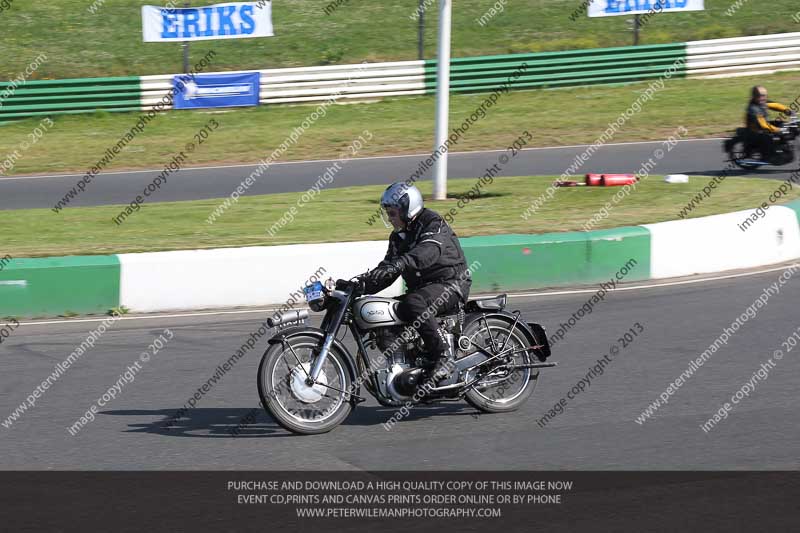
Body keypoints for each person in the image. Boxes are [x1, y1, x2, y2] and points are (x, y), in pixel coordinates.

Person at [364, 182, 472, 381]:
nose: (389, 218)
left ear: (408, 208)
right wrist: (360, 284)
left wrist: (401, 263)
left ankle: (443, 356)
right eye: (387, 213)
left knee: (414, 302)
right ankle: (409, 366)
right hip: (423, 289)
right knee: (386, 309)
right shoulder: (397, 237)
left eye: (393, 213)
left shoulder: (433, 223)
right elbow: (387, 269)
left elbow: (427, 252)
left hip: (450, 283)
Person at [745, 86, 794, 161]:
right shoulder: (753, 108)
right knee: (770, 137)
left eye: (764, 95)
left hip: (763, 124)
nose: (763, 98)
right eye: (760, 96)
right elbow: (763, 125)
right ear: (754, 96)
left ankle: (782, 146)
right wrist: (778, 130)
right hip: (756, 130)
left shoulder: (761, 101)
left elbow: (775, 105)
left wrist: (787, 110)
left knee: (782, 124)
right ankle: (769, 156)